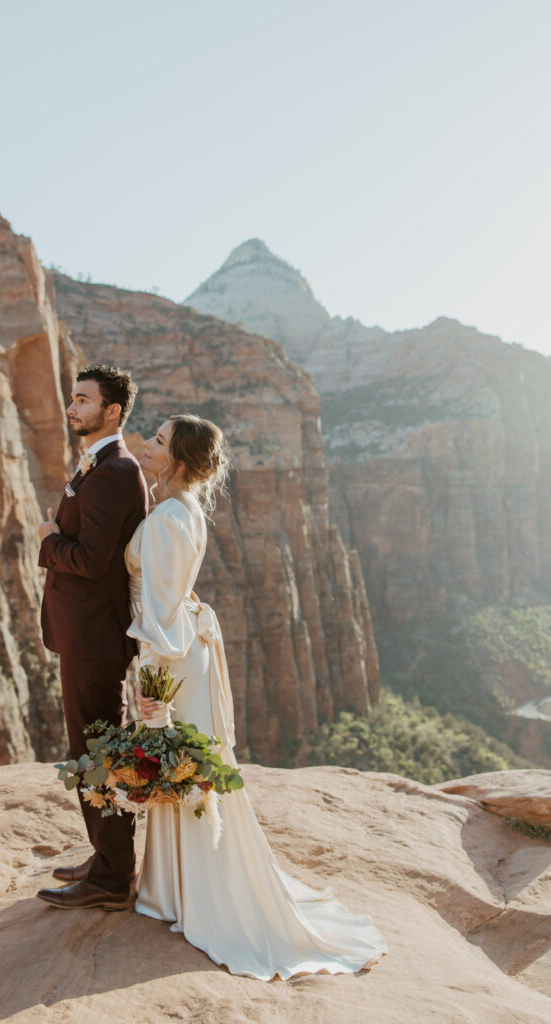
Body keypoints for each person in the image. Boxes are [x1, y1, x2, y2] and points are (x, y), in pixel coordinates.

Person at [126, 414, 387, 979]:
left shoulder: (172, 517)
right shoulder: (178, 509)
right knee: (186, 769)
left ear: (178, 461)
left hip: (172, 660)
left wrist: (153, 692)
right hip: (181, 651)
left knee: (184, 766)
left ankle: (188, 896)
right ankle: (175, 889)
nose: (146, 444)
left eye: (159, 441)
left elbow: (162, 611)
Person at [36, 364, 148, 910]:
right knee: (92, 750)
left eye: (83, 400)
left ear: (113, 411)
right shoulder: (100, 464)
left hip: (94, 638)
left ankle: (111, 878)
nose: (72, 407)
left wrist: (49, 540)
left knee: (96, 753)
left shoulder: (112, 472)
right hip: (86, 633)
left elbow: (89, 558)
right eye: (72, 399)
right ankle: (107, 858)